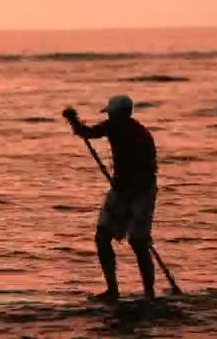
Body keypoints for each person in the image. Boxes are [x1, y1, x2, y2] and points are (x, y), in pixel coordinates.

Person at [62, 94, 158, 303]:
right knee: (106, 237)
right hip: (124, 188)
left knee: (137, 242)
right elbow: (89, 133)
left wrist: (73, 120)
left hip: (140, 191)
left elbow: (87, 132)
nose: (110, 117)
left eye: (111, 113)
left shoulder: (121, 128)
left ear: (118, 114)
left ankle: (142, 293)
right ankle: (125, 291)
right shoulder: (135, 130)